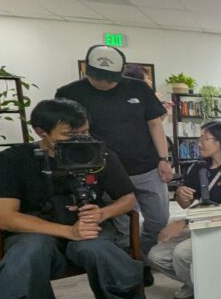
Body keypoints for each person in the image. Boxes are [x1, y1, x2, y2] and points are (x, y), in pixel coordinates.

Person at [0, 98, 146, 299]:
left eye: (84, 132)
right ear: (41, 132)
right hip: (34, 234)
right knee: (27, 257)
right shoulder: (12, 160)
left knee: (100, 249)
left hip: (86, 230)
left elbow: (128, 198)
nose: (80, 140)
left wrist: (102, 213)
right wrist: (67, 231)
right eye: (70, 135)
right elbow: (2, 216)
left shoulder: (99, 155)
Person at [56, 45, 171, 273]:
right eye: (99, 78)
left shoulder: (139, 88)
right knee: (124, 226)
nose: (104, 83)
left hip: (146, 166)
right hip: (105, 172)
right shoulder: (69, 93)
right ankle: (134, 265)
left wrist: (163, 158)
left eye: (110, 79)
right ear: (87, 70)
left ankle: (143, 256)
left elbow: (155, 123)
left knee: (159, 219)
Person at [148, 121, 221, 299]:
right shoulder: (199, 168)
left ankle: (208, 292)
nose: (199, 143)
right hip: (203, 223)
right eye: (200, 138)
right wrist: (181, 194)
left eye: (205, 138)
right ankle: (196, 285)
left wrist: (184, 223)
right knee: (155, 256)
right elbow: (184, 204)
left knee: (181, 254)